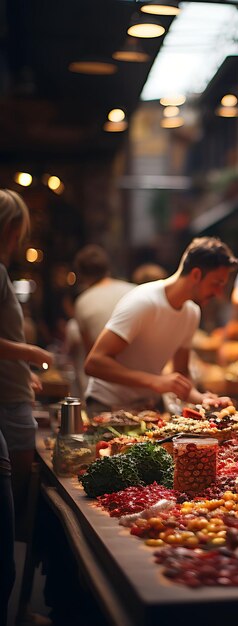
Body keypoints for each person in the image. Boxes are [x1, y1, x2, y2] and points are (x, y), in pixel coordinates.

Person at [84, 237, 238, 414]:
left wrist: (203, 399)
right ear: (196, 275)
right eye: (216, 284)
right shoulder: (144, 301)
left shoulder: (192, 313)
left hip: (147, 409)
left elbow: (181, 374)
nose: (219, 294)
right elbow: (94, 363)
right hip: (106, 407)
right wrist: (154, 381)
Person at [0, 189, 55, 625]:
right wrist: (29, 351)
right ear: (12, 228)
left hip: (13, 395)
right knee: (11, 515)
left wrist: (23, 369)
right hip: (7, 410)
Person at [73, 244, 135, 353]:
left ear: (81, 275)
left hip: (107, 367)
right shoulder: (134, 290)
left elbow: (91, 354)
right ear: (108, 268)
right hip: (145, 365)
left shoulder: (83, 301)